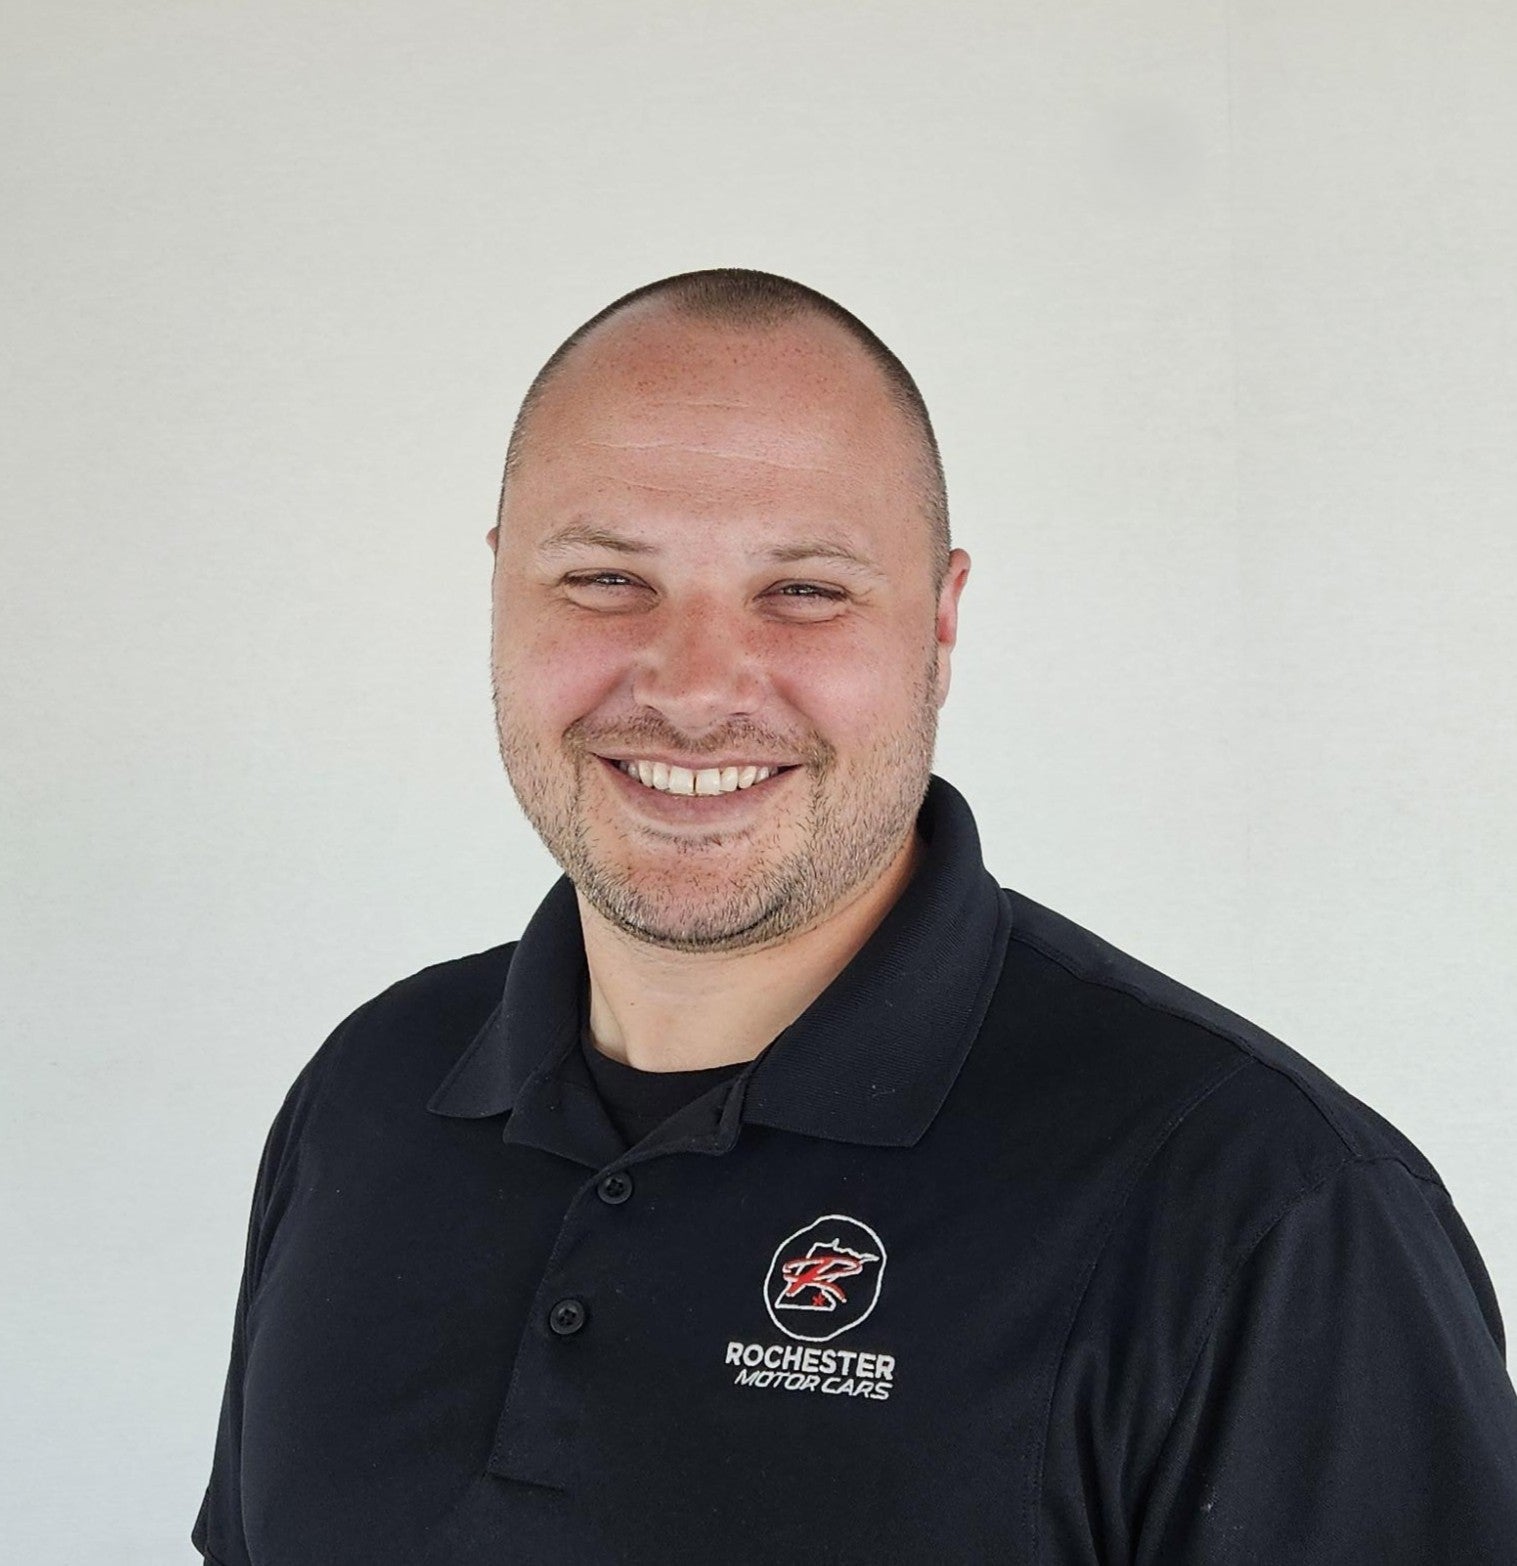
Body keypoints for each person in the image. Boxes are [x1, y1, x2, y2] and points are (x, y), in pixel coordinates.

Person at [192, 268, 1517, 1564]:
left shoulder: (1265, 1211)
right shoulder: (370, 1089)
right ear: (498, 590)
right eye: (604, 579)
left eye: (804, 592)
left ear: (939, 623)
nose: (695, 688)